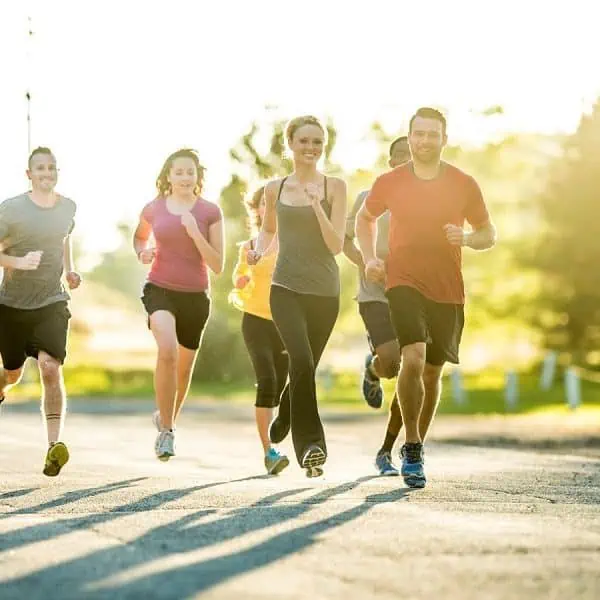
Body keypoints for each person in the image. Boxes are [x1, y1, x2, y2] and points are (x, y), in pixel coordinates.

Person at [356, 107, 496, 488]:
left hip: (448, 289)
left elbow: (488, 233)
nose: (424, 141)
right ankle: (412, 448)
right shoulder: (390, 181)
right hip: (403, 281)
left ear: (444, 139)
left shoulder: (463, 183)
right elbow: (363, 219)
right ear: (410, 135)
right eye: (418, 134)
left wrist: (466, 238)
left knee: (433, 372)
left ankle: (416, 442)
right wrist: (370, 257)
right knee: (412, 356)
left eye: (432, 134)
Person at [247, 115, 347, 477]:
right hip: (285, 287)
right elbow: (269, 230)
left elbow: (335, 245)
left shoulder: (335, 187)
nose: (311, 148)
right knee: (301, 361)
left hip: (324, 292)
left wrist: (317, 205)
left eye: (317, 142)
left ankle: (287, 412)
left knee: (306, 367)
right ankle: (311, 446)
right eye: (304, 141)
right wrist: (258, 251)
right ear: (290, 143)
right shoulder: (275, 188)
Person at [133, 148, 224, 461]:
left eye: (190, 172)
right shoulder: (153, 208)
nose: (185, 177)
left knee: (183, 370)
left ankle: (166, 417)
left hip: (195, 297)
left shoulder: (210, 212)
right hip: (159, 289)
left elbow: (218, 264)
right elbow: (139, 238)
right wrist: (142, 252)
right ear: (168, 176)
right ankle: (167, 433)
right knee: (168, 351)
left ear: (198, 177)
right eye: (179, 172)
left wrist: (195, 231)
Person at [0, 147, 80, 477]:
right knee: (13, 373)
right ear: (28, 174)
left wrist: (71, 271)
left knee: (49, 367)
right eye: (40, 168)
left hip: (52, 299)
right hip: (13, 304)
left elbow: (64, 240)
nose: (46, 172)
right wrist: (17, 262)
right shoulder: (11, 210)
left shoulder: (67, 207)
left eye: (51, 167)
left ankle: (53, 447)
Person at [343, 135, 411, 476]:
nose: (405, 160)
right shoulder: (366, 198)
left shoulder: (426, 202)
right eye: (399, 155)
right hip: (374, 293)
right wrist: (365, 262)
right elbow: (345, 239)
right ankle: (373, 368)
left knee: (409, 367)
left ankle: (387, 450)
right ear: (390, 161)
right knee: (392, 361)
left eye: (410, 156)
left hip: (414, 292)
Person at [230, 186, 290, 475]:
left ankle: (281, 431)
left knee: (281, 384)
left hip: (286, 322)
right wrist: (242, 279)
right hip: (255, 319)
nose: (273, 209)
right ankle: (269, 451)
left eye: (278, 204)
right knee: (266, 380)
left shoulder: (292, 242)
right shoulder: (249, 246)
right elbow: (238, 276)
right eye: (266, 204)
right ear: (257, 210)